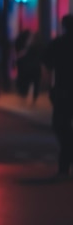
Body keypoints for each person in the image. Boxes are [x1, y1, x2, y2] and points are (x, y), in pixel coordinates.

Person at [42, 14, 73, 179]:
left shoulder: (58, 44)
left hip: (63, 91)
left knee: (60, 126)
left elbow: (46, 67)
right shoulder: (58, 44)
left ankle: (65, 164)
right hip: (63, 91)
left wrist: (49, 89)